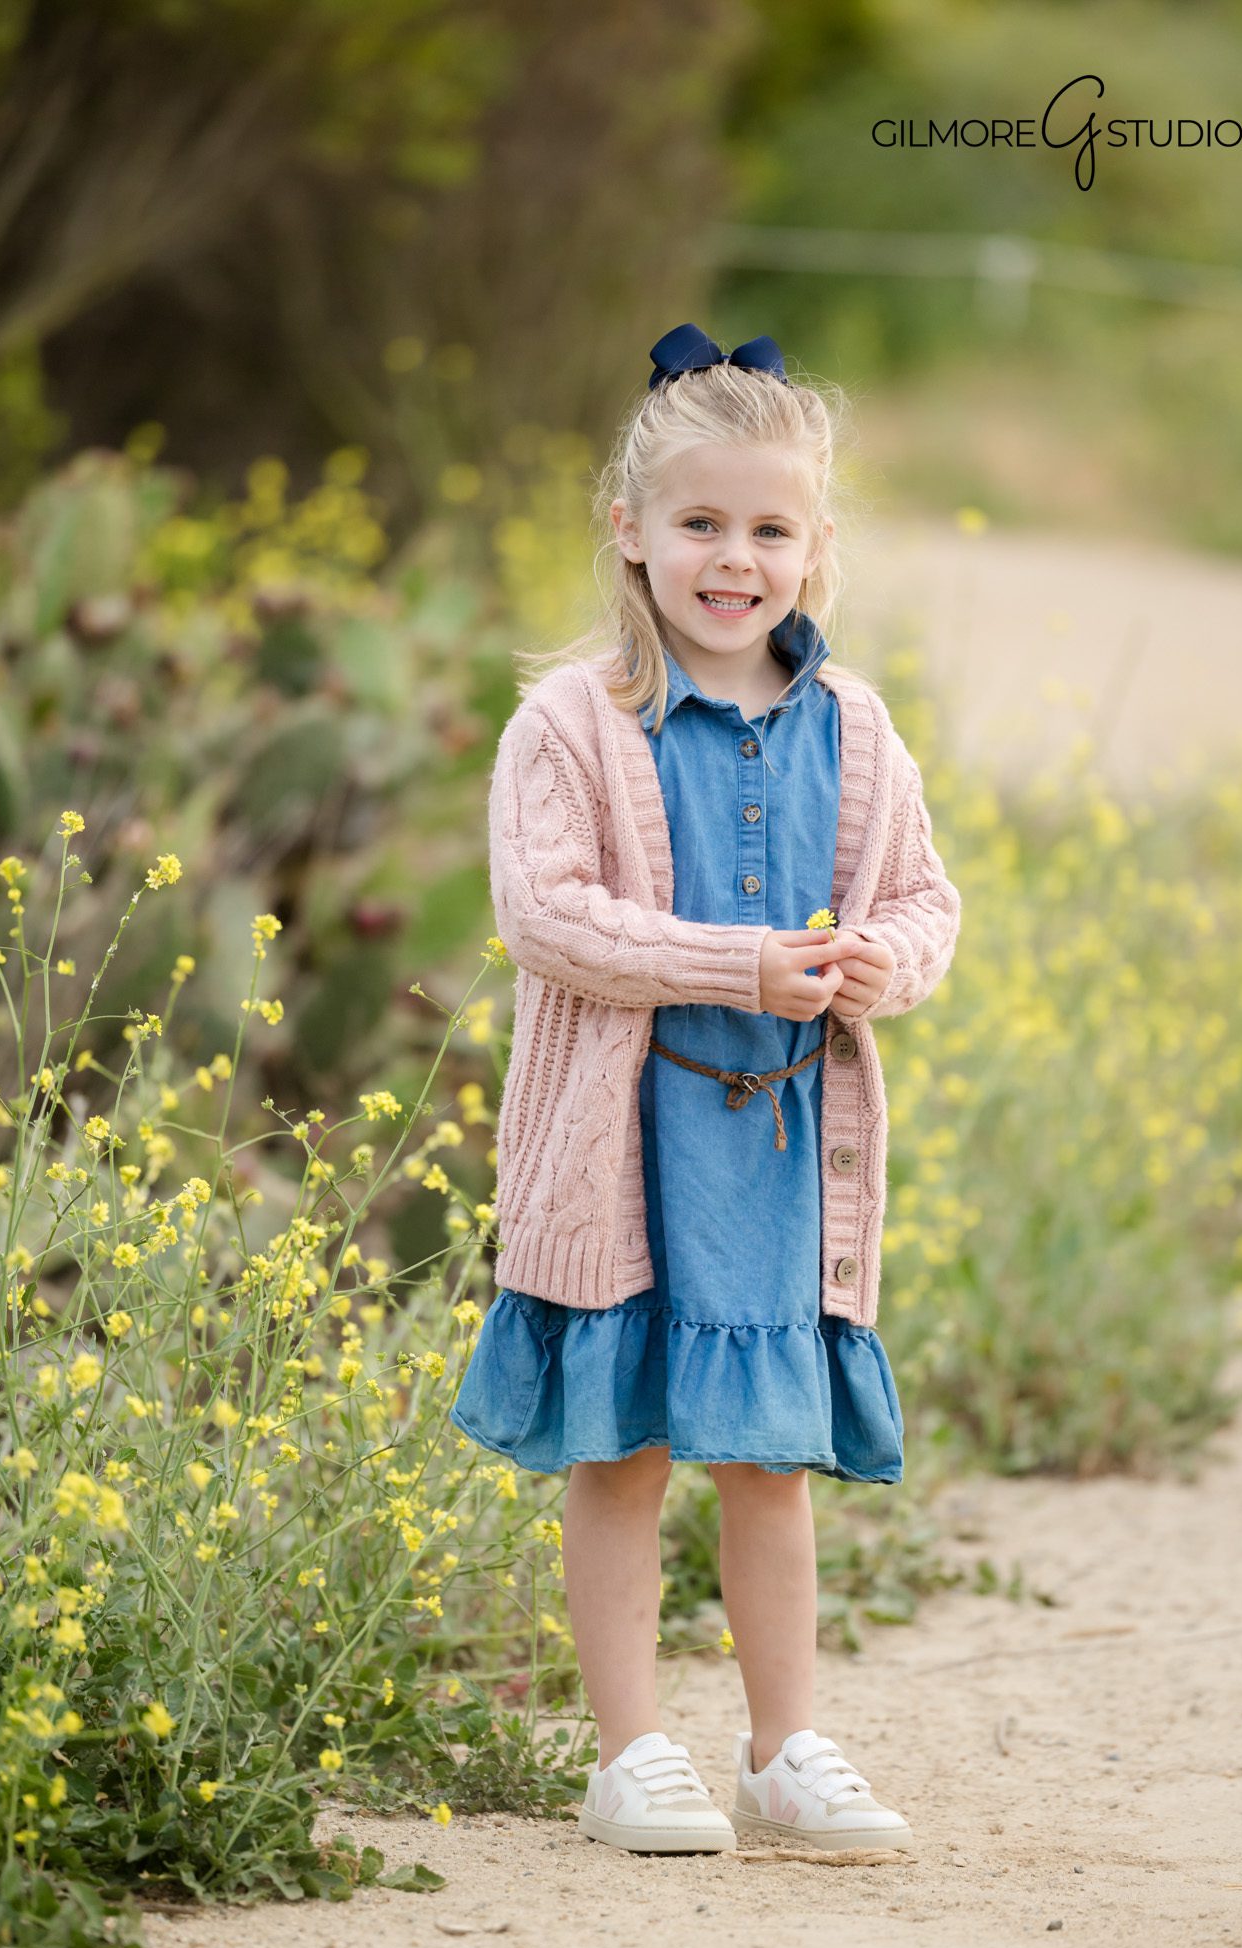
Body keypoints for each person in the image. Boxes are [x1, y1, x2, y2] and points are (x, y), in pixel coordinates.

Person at [450, 320, 961, 1856]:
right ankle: (629, 1754)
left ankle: (784, 1745)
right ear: (629, 531)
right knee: (621, 1452)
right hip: (625, 1144)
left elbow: (930, 903)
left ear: (812, 546)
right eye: (698, 524)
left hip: (780, 1154)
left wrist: (882, 960)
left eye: (767, 529)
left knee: (763, 1459)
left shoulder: (855, 730)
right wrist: (743, 964)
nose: (732, 558)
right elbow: (548, 921)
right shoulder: (568, 724)